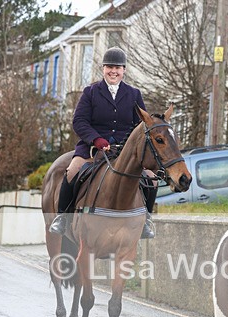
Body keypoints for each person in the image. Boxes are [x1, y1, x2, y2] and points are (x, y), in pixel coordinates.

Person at [49, 46, 155, 238]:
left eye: (118, 67)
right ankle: (62, 218)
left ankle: (146, 221)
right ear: (103, 68)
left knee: (150, 179)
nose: (113, 71)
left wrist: (128, 145)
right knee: (72, 172)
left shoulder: (134, 94)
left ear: (124, 70)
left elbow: (141, 125)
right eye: (109, 67)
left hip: (124, 151)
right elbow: (79, 121)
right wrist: (96, 139)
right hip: (92, 149)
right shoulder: (91, 92)